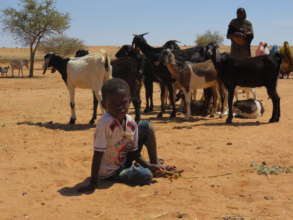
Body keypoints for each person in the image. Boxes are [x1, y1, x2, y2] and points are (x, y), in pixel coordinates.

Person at [78, 78, 166, 193]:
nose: (120, 107)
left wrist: (149, 165)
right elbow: (98, 154)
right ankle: (148, 169)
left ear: (129, 101)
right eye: (114, 104)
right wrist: (93, 183)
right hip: (111, 171)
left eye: (123, 103)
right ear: (104, 105)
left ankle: (155, 165)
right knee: (146, 175)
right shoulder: (104, 124)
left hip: (125, 158)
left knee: (146, 126)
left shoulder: (131, 122)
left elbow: (134, 153)